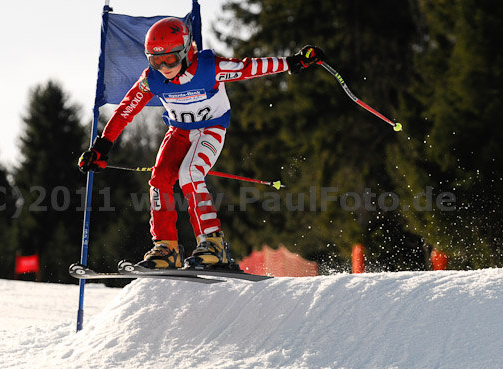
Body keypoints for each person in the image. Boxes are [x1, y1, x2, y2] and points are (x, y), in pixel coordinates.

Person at [78, 17, 325, 270]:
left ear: (185, 51)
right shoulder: (151, 79)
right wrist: (101, 147)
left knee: (190, 174)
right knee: (159, 179)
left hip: (210, 129)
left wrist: (294, 62)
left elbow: (250, 67)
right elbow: (125, 110)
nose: (164, 67)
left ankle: (213, 243)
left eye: (170, 60)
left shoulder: (210, 68)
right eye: (155, 60)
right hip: (179, 133)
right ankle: (166, 247)